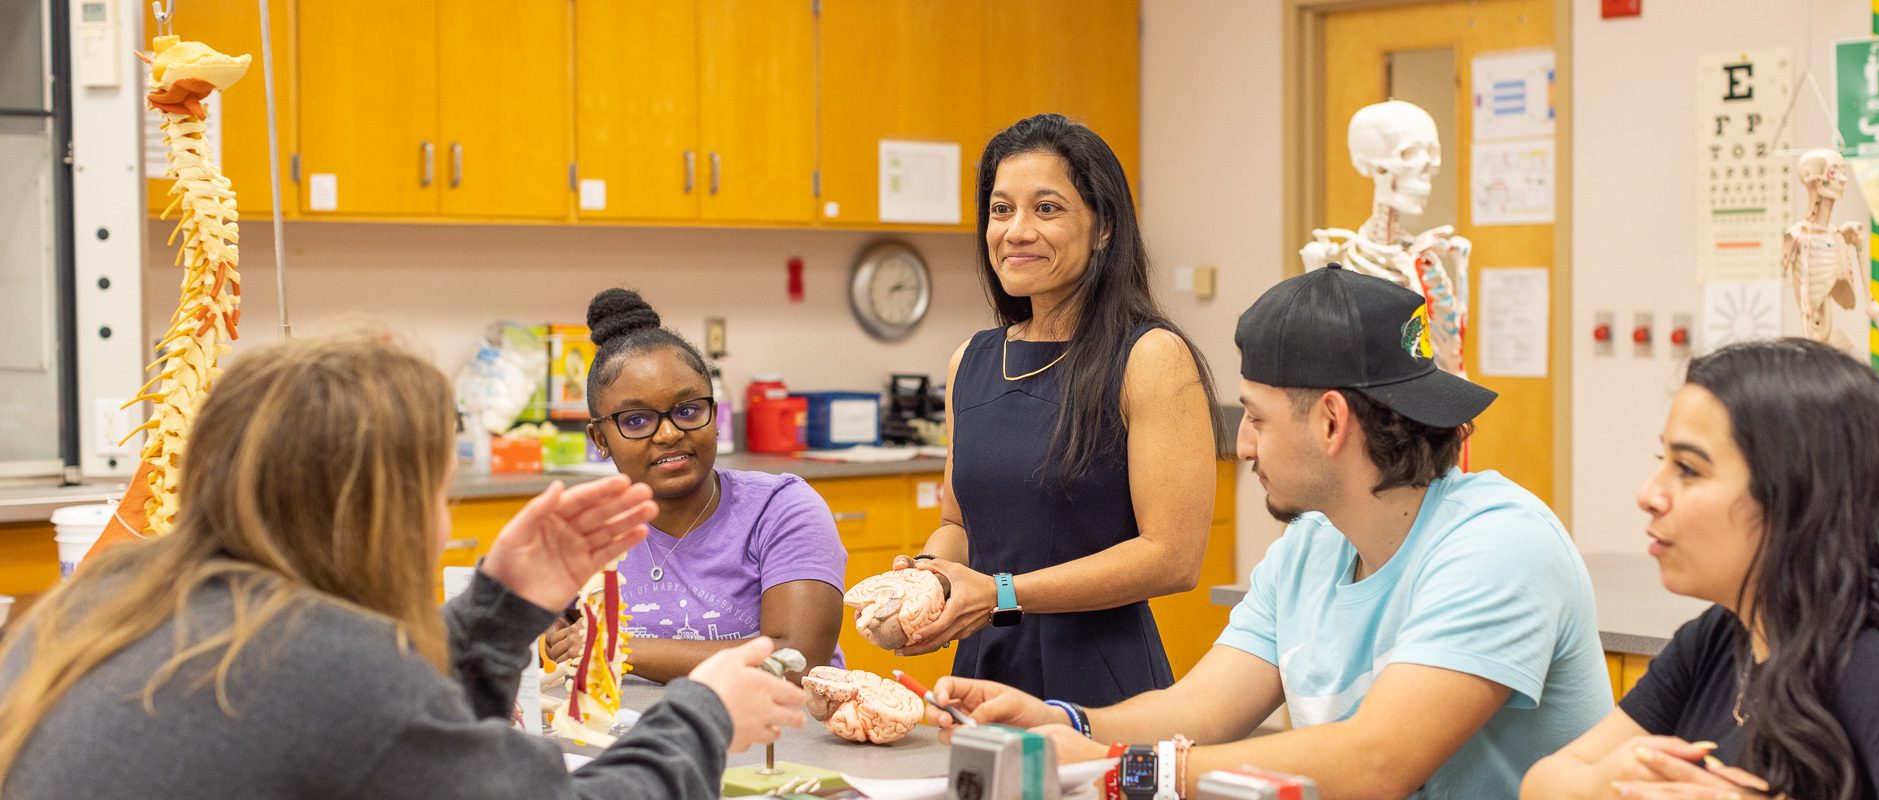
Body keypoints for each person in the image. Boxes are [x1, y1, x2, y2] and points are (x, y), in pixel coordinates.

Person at [0, 332, 807, 798]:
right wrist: (704, 714)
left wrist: (498, 610)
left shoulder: (106, 597)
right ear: (381, 509)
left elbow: (402, 738)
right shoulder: (322, 665)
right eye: (439, 496)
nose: (444, 522)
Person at [928, 266, 1612, 798]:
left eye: (1255, 417)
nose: (1243, 446)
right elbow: (1198, 709)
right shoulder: (1313, 548)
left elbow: (1376, 764)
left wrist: (1119, 768)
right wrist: (1066, 725)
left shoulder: (1497, 546)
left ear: (1331, 422)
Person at [1523, 339, 1879, 800]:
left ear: (1798, 496)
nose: (1649, 494)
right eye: (1661, 460)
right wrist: (1605, 786)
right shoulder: (1722, 635)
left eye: (1688, 469)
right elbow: (1544, 782)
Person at [895, 113, 1225, 706]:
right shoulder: (971, 360)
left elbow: (1173, 558)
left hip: (1100, 683)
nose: (1016, 230)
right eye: (1001, 210)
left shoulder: (1150, 357)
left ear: (1104, 228)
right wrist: (928, 577)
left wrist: (1000, 593)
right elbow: (958, 525)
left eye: (1046, 208)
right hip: (983, 672)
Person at [544, 289, 846, 682]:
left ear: (715, 416)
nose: (669, 433)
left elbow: (794, 660)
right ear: (600, 439)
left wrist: (620, 645)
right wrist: (547, 623)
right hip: (636, 735)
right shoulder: (583, 525)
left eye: (688, 411)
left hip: (778, 735)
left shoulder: (781, 508)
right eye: (636, 420)